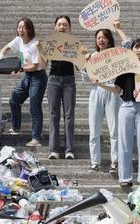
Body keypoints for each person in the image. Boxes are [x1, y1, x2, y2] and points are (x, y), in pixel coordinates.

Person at [95, 38, 140, 188]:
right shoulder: (125, 68)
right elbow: (117, 90)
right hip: (127, 105)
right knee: (124, 143)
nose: (139, 50)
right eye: (137, 47)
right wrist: (101, 84)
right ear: (132, 50)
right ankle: (125, 177)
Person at [83, 21, 128, 172]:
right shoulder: (93, 56)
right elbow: (85, 78)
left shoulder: (115, 53)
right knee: (94, 129)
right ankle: (95, 162)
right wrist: (86, 63)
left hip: (112, 90)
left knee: (114, 129)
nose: (101, 40)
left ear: (109, 39)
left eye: (104, 37)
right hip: (96, 92)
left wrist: (118, 28)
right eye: (98, 37)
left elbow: (128, 45)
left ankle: (114, 161)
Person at [0, 17, 47, 147]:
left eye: (24, 27)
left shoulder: (34, 44)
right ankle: (16, 127)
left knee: (34, 107)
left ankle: (36, 137)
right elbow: (6, 48)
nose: (21, 30)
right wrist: (0, 58)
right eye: (19, 27)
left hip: (38, 77)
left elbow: (35, 66)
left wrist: (19, 69)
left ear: (30, 29)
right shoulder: (18, 40)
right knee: (14, 100)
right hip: (27, 76)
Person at [46, 15, 77, 160]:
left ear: (69, 27)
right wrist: (40, 50)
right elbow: (43, 63)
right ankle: (54, 149)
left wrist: (81, 55)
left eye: (65, 24)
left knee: (69, 115)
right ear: (55, 27)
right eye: (59, 24)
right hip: (53, 80)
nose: (62, 27)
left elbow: (78, 66)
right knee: (54, 115)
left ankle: (69, 149)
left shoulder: (73, 43)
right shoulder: (51, 42)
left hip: (69, 80)